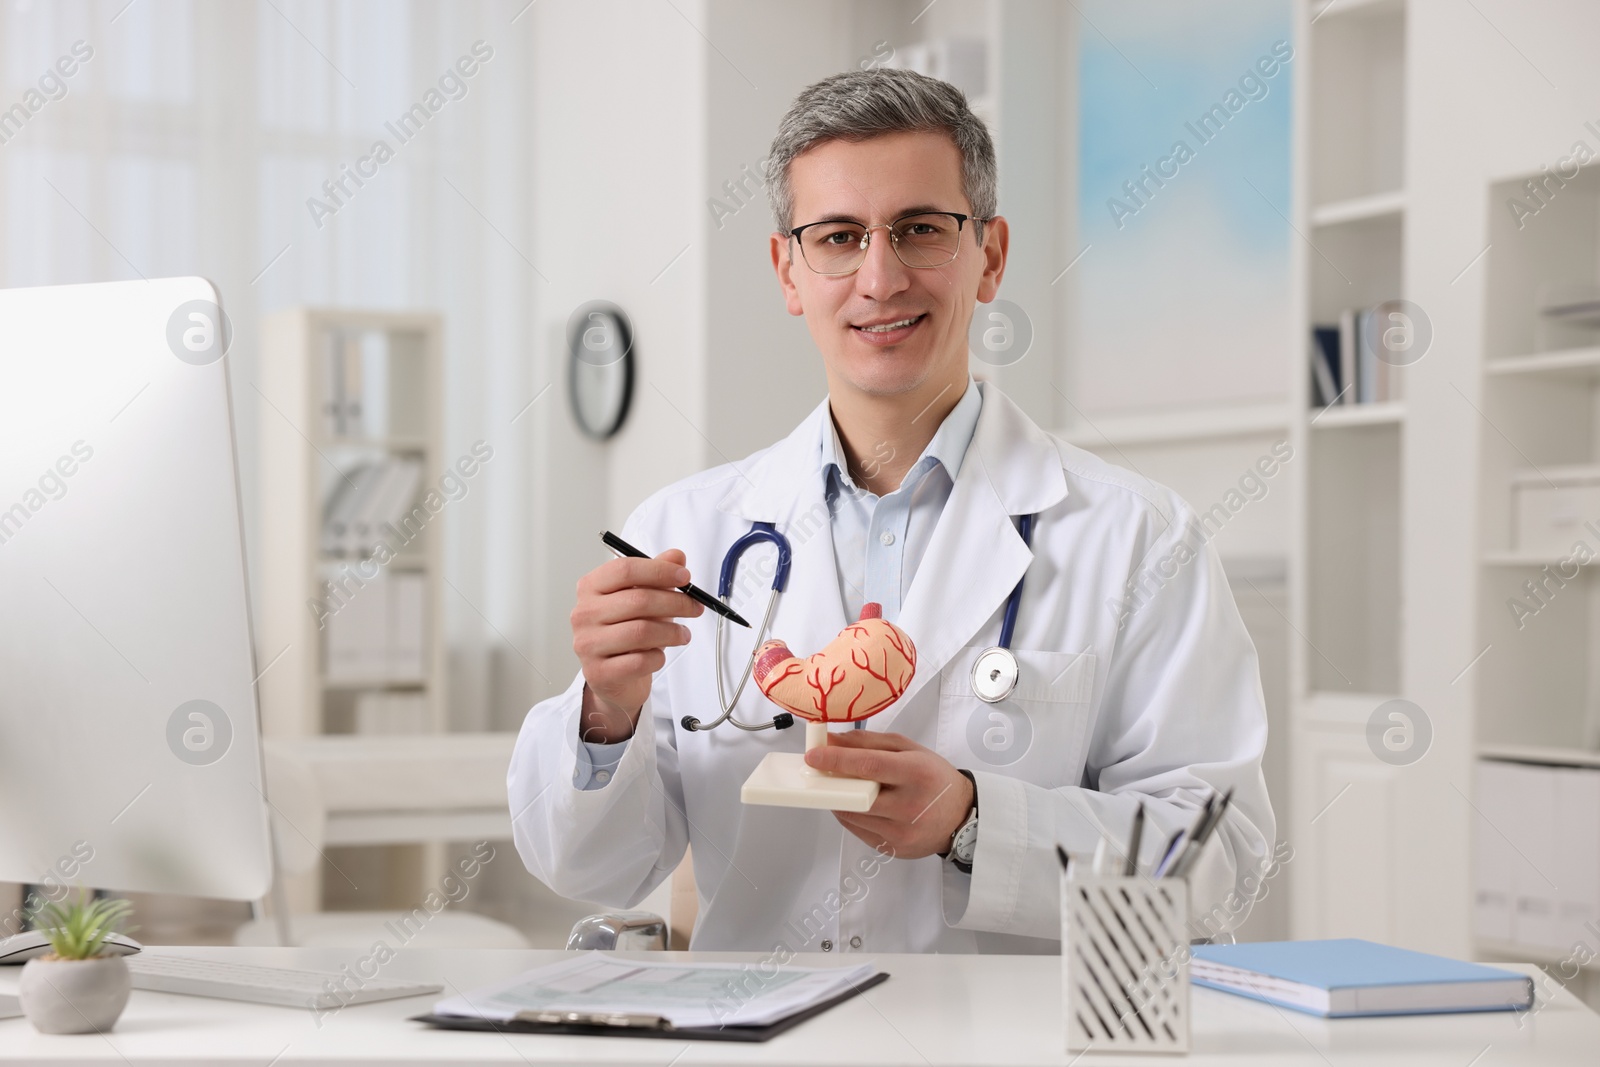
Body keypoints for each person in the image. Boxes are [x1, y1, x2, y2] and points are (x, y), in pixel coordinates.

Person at [508, 67, 1274, 954]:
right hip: (766, 1035)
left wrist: (978, 823)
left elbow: (1220, 865)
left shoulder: (1139, 537)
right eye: (837, 236)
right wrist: (608, 708)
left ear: (989, 256)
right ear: (787, 270)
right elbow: (585, 866)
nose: (880, 278)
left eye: (919, 230)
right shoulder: (690, 532)